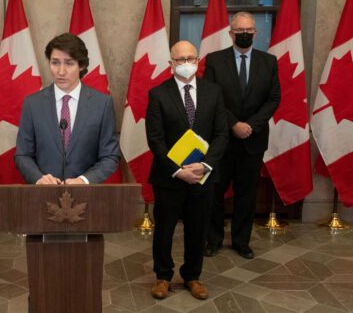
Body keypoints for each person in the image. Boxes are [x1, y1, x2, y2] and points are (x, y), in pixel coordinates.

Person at [146, 40, 228, 300]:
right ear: (171, 64)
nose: (185, 63)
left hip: (202, 177)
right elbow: (155, 139)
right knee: (164, 230)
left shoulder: (214, 92)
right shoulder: (158, 94)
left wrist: (205, 166)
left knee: (198, 228)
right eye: (180, 59)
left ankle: (192, 276)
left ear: (198, 60)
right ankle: (163, 276)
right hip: (169, 177)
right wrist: (177, 170)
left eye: (190, 58)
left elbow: (221, 134)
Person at [203, 12, 280, 260]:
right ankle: (213, 240)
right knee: (214, 193)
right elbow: (211, 97)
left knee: (246, 195)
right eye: (239, 30)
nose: (244, 33)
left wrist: (251, 125)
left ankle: (241, 242)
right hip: (223, 139)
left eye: (249, 30)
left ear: (255, 32)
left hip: (253, 140)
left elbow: (273, 99)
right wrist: (234, 123)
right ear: (231, 33)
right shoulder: (215, 60)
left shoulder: (269, 62)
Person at [15, 33, 120, 184]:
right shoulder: (33, 104)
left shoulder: (102, 104)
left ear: (81, 65)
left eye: (69, 63)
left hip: (88, 197)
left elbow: (110, 156)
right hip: (43, 196)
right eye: (55, 63)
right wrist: (38, 178)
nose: (61, 71)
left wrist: (84, 180)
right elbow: (22, 154)